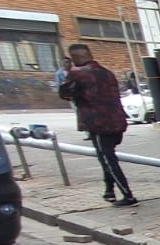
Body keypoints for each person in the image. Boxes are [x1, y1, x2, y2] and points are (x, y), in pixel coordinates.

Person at [58, 44, 137, 207]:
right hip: (117, 119)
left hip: (98, 122)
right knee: (106, 157)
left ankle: (127, 195)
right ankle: (109, 190)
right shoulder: (106, 72)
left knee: (107, 159)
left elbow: (64, 93)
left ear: (76, 58)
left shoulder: (78, 74)